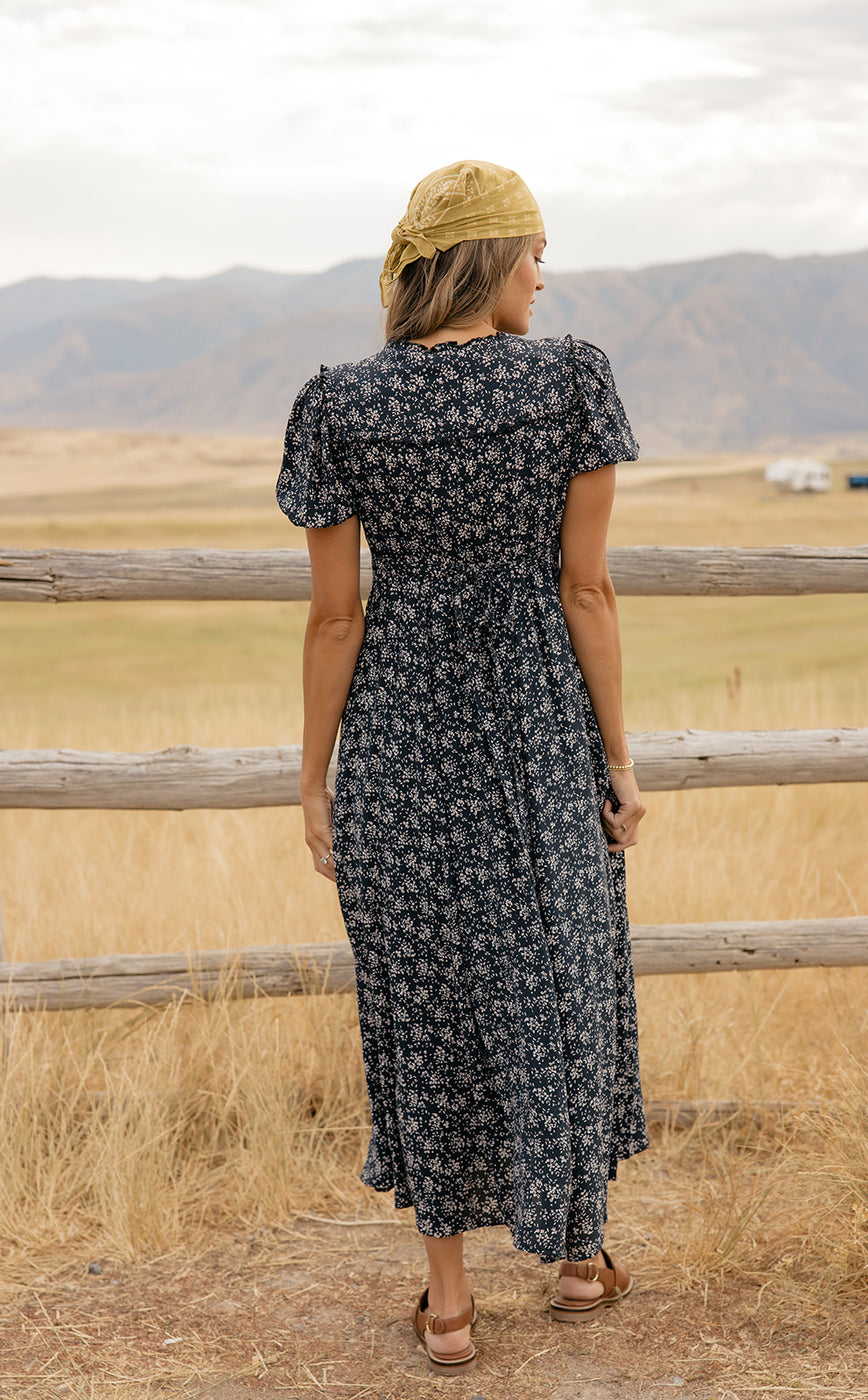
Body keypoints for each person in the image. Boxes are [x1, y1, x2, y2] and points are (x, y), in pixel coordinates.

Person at [276, 159, 648, 1376]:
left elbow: (337, 616)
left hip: (399, 742)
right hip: (538, 729)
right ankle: (579, 1257)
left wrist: (315, 777)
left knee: (421, 997)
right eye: (534, 251)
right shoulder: (570, 378)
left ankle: (448, 1308)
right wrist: (619, 758)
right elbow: (585, 588)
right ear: (488, 258)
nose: (544, 274)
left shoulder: (337, 401)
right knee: (562, 972)